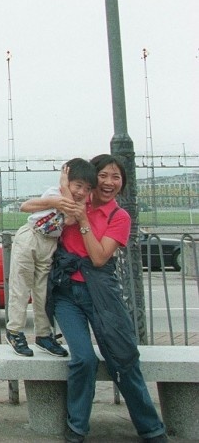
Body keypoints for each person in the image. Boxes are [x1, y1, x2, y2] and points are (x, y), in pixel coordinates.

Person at [47, 154, 166, 443]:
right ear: (92, 178)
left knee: (123, 358)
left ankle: (151, 429)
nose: (109, 182)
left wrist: (83, 220)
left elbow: (99, 257)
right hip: (67, 294)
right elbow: (47, 201)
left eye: (116, 177)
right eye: (103, 175)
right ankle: (77, 429)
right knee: (83, 359)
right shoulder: (76, 200)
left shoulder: (119, 217)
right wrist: (64, 181)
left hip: (102, 293)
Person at [9, 158, 96, 357]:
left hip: (49, 244)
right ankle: (14, 331)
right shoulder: (53, 193)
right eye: (78, 185)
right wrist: (54, 199)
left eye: (87, 188)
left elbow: (70, 218)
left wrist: (66, 188)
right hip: (31, 236)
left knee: (43, 292)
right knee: (21, 286)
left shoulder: (77, 204)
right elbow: (25, 206)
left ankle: (43, 335)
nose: (81, 192)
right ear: (67, 180)